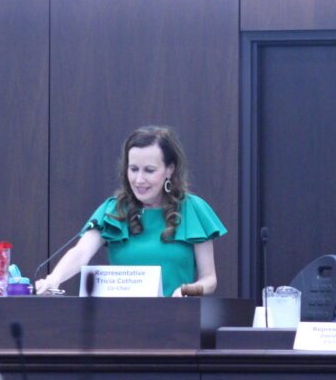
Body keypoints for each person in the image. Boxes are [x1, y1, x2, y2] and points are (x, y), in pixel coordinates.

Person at [35, 125, 226, 297]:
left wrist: (188, 290)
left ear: (170, 170)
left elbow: (209, 279)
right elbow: (81, 252)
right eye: (133, 169)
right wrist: (54, 278)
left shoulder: (193, 209)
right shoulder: (113, 209)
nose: (139, 179)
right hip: (119, 325)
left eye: (149, 170)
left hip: (175, 323)